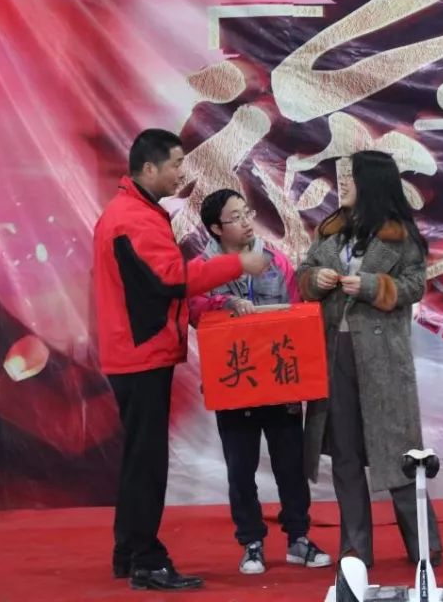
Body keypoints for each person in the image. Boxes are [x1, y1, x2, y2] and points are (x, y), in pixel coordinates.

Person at [93, 129, 270, 591]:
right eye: (174, 164)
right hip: (140, 354)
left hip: (136, 351)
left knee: (139, 459)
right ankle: (147, 561)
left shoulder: (134, 212)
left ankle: (129, 551)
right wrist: (238, 264)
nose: (180, 172)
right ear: (148, 168)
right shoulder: (133, 218)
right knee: (147, 463)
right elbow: (171, 280)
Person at [297, 150, 442, 568]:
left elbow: (414, 285)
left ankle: (424, 543)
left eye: (351, 177)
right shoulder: (330, 231)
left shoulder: (401, 235)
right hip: (334, 354)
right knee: (344, 453)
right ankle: (355, 546)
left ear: (371, 184)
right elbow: (303, 274)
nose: (342, 184)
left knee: (398, 451)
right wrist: (315, 279)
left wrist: (372, 285)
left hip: (383, 359)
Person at [189, 189, 332, 575]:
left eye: (247, 213)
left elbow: (296, 309)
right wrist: (226, 303)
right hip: (235, 383)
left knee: (291, 465)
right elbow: (193, 309)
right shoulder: (202, 269)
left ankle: (298, 538)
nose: (246, 222)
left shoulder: (275, 260)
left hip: (280, 380)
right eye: (235, 217)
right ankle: (251, 542)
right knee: (241, 469)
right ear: (216, 228)